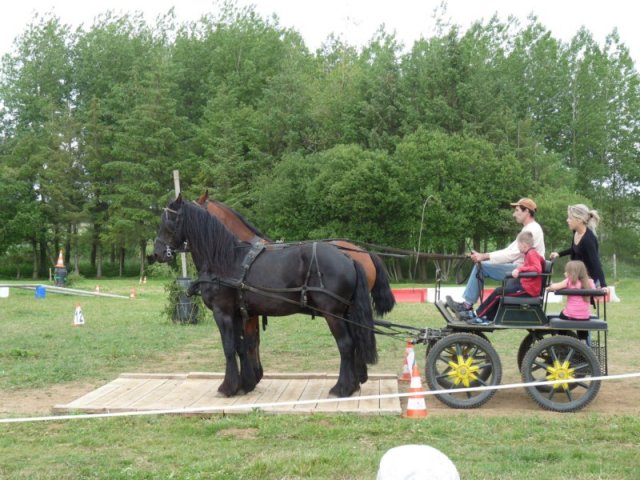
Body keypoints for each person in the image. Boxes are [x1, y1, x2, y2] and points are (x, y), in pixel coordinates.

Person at [448, 198, 545, 314]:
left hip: (523, 273)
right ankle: (469, 305)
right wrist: (484, 255)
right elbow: (509, 250)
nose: (514, 214)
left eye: (517, 210)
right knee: (482, 265)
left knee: (481, 267)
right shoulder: (530, 228)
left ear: (527, 211)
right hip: (521, 270)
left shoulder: (532, 230)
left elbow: (511, 254)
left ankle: (467, 305)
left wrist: (483, 256)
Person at [465, 231, 545, 324]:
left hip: (528, 290)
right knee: (499, 292)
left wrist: (520, 269)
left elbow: (537, 269)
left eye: (518, 245)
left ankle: (479, 315)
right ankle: (487, 317)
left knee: (499, 292)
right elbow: (538, 264)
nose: (518, 247)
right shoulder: (531, 253)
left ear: (524, 245)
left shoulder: (531, 253)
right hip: (525, 287)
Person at [550, 204, 607, 289]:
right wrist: (559, 254)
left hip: (587, 280)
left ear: (579, 220)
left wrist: (603, 285)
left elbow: (595, 263)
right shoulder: (576, 232)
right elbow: (575, 249)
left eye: (570, 218)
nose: (567, 220)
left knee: (556, 287)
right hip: (577, 276)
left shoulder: (588, 240)